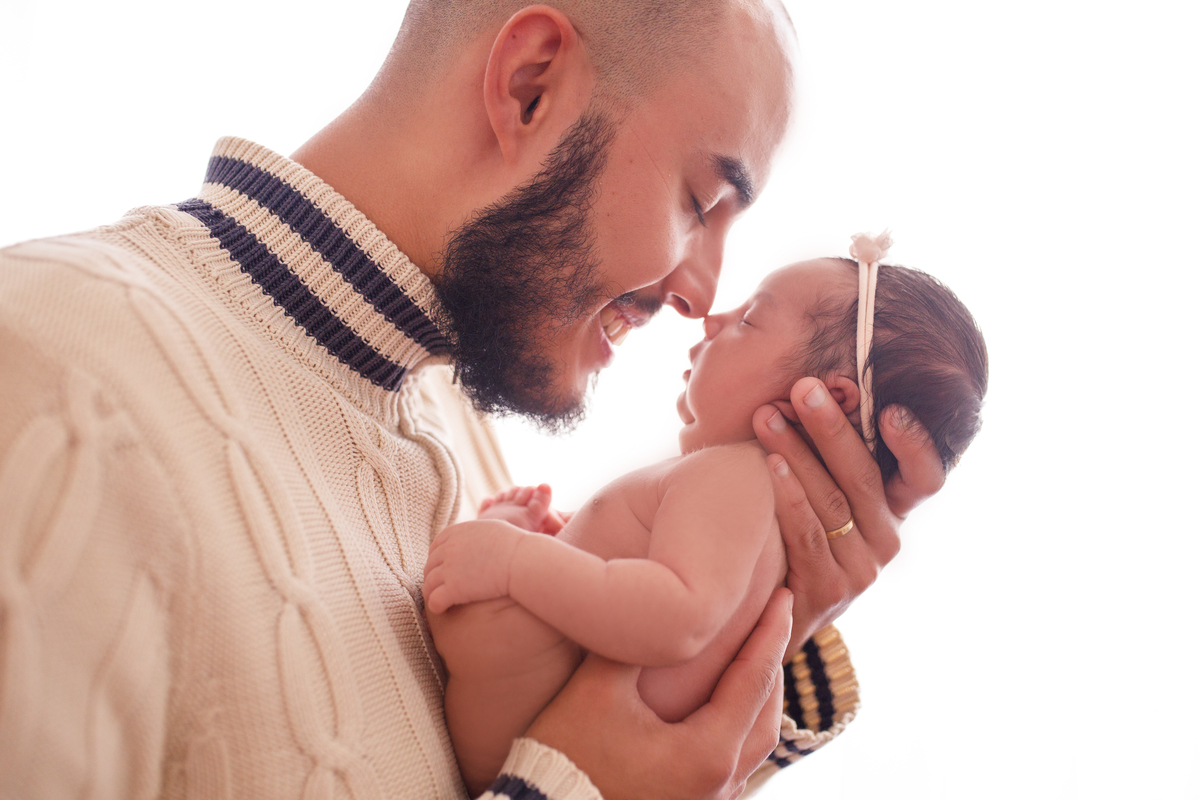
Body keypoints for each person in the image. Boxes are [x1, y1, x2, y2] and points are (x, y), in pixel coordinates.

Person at [0, 3, 946, 799]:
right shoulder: (48, 370)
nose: (702, 292)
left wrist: (765, 638)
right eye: (700, 202)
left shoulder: (460, 443)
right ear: (530, 85)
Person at [424, 239, 989, 793]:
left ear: (827, 399)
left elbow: (680, 616)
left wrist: (517, 561)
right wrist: (563, 544)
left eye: (749, 319)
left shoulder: (737, 476)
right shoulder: (761, 520)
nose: (713, 319)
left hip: (542, 738)